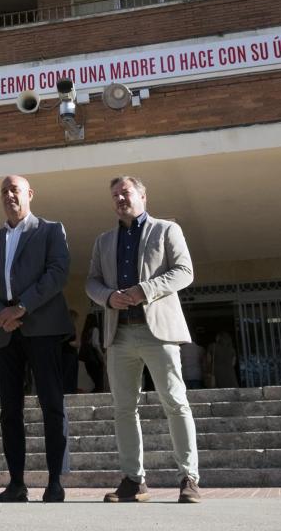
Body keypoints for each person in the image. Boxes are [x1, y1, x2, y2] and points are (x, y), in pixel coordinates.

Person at [86, 176, 201, 504]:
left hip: (159, 332)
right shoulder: (103, 241)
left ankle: (189, 478)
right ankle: (134, 481)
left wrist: (144, 290)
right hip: (119, 335)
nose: (120, 198)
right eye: (115, 195)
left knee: (175, 403)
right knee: (123, 408)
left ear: (142, 196)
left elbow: (184, 271)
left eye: (126, 192)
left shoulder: (166, 230)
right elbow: (91, 282)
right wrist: (108, 297)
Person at [0, 175, 74, 503]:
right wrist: (1, 313)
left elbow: (57, 272)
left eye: (14, 189)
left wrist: (21, 307)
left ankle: (55, 481)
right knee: (9, 411)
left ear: (29, 194)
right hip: (5, 336)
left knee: (52, 405)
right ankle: (16, 483)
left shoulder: (50, 230)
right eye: (4, 191)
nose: (8, 195)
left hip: (42, 330)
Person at [78, 312, 107, 393]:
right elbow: (96, 344)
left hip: (87, 359)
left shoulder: (85, 331)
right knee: (99, 380)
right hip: (94, 358)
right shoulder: (95, 329)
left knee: (95, 379)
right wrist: (102, 356)